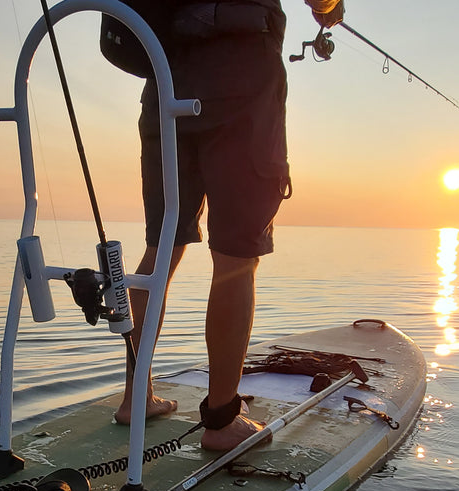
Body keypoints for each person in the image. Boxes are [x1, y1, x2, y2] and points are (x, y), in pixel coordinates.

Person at [114, 0, 345, 450]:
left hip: (166, 80)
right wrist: (329, 9)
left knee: (162, 245)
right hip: (240, 82)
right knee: (236, 257)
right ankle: (221, 420)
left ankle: (134, 397)